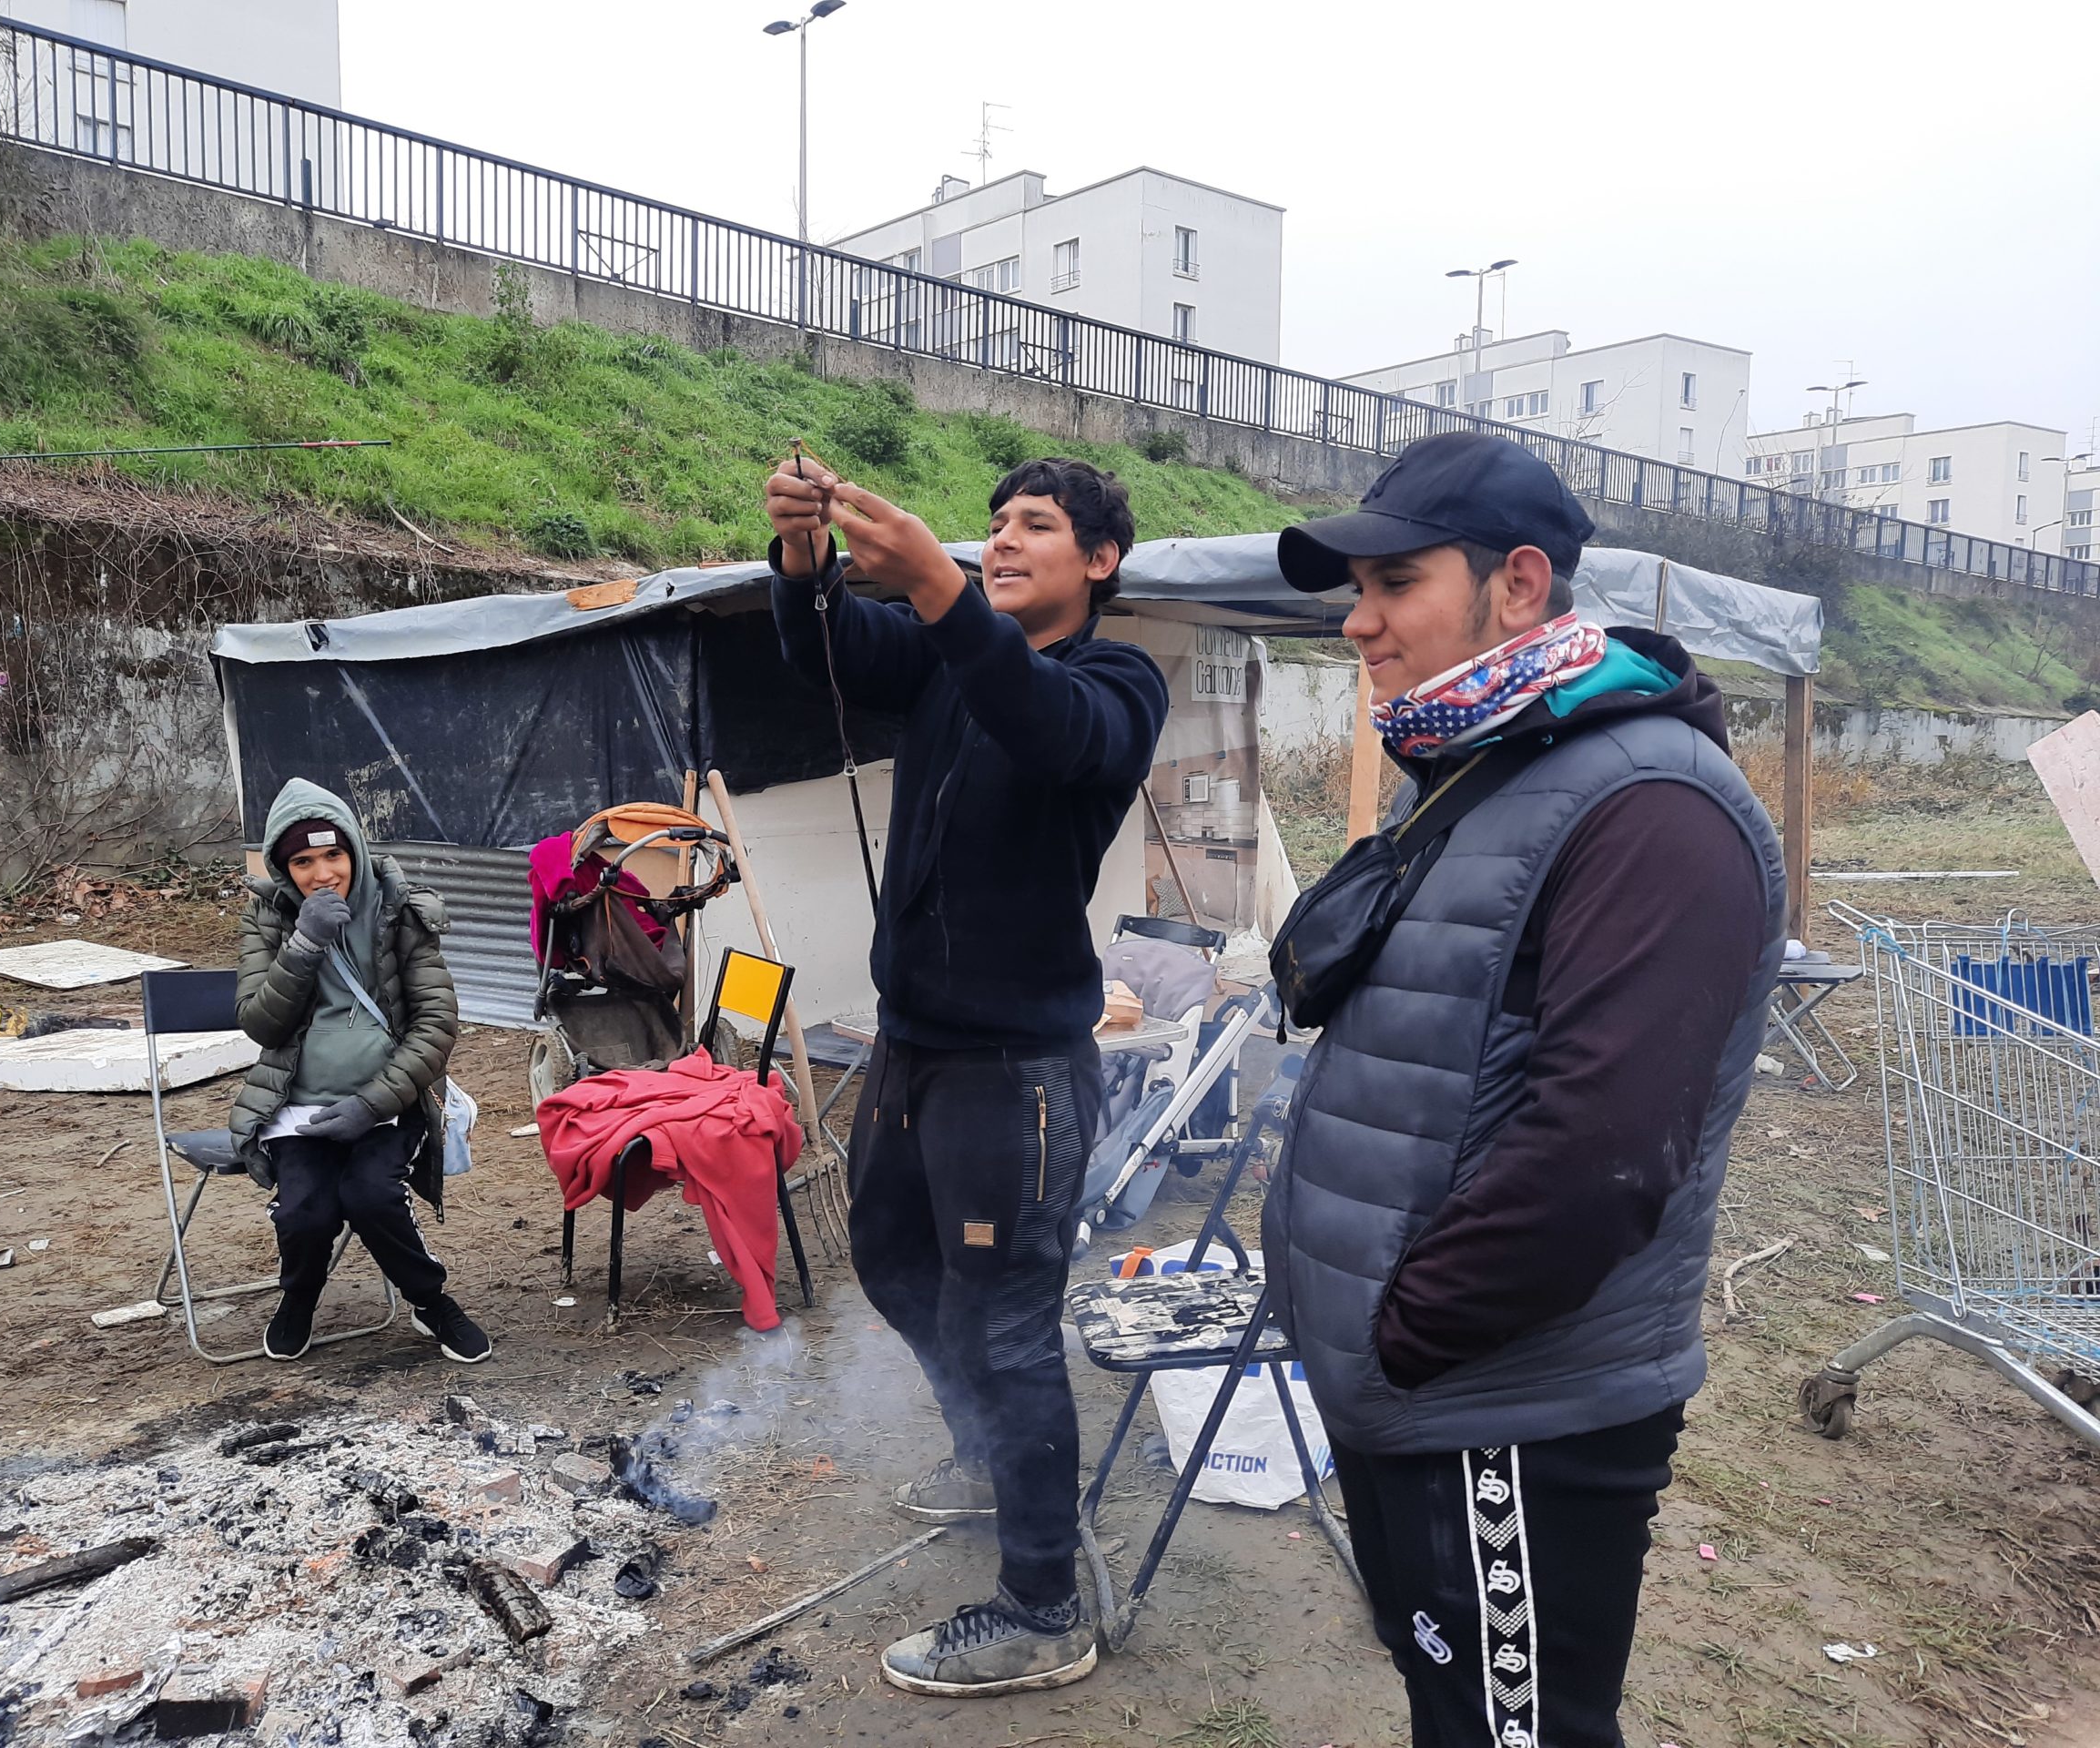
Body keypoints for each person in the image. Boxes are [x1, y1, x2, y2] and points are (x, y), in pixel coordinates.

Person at [1263, 431, 1785, 1748]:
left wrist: (1402, 1329)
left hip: (1507, 1405)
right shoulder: (1484, 767)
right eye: (1354, 590)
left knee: (1521, 1731)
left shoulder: (1653, 807)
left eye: (1393, 585)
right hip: (1423, 1392)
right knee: (1459, 1709)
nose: (1358, 623)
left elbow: (1602, 1155)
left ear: (1518, 585)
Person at [763, 452, 1168, 1696]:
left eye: (1033, 526)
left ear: (1099, 561)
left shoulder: (1115, 679)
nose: (1000, 539)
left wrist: (943, 589)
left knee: (1004, 1327)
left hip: (1017, 1069)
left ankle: (1045, 1606)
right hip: (913, 1041)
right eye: (989, 525)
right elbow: (826, 653)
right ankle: (989, 1450)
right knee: (889, 1260)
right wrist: (800, 560)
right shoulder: (949, 648)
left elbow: (1045, 728)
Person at [228, 777, 491, 1366]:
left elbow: (436, 1026)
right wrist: (303, 944)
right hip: (301, 1108)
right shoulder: (267, 920)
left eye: (333, 855)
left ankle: (430, 1301)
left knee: (371, 1195)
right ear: (282, 866)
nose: (321, 873)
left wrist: (371, 1105)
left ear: (354, 851)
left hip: (389, 1104)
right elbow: (262, 1025)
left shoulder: (400, 911)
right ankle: (299, 1298)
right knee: (305, 1211)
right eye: (302, 861)